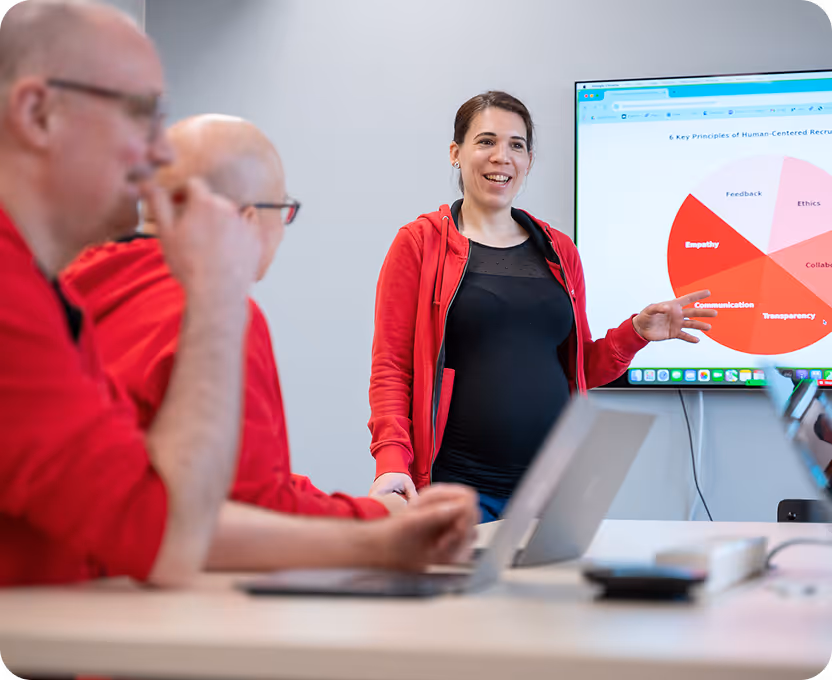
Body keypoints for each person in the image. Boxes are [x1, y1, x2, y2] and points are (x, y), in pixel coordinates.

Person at [0, 0, 477, 588]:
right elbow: (174, 537)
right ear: (38, 113)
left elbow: (149, 512)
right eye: (139, 114)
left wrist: (381, 537)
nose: (157, 156)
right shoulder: (14, 301)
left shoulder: (52, 295)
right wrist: (219, 292)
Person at [367, 90, 716, 521]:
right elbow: (392, 369)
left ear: (529, 160)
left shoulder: (559, 250)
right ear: (456, 153)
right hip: (458, 491)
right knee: (465, 591)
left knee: (553, 591)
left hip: (555, 493)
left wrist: (636, 334)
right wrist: (390, 463)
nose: (502, 156)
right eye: (486, 141)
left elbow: (581, 367)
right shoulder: (420, 244)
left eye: (516, 145)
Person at [64, 113, 405, 520]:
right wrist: (380, 519)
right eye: (282, 211)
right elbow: (253, 509)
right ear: (246, 219)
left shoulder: (73, 283)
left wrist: (353, 507)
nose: (281, 229)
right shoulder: (216, 312)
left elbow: (243, 479)